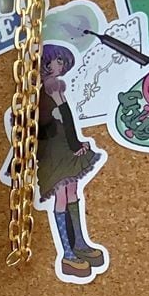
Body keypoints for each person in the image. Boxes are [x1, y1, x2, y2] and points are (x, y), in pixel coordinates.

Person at [38, 44, 105, 277]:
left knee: (73, 191)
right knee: (62, 195)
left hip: (66, 145)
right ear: (46, 63)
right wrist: (74, 143)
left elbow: (68, 119)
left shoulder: (56, 87)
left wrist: (76, 143)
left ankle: (79, 244)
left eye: (62, 62)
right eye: (57, 61)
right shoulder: (47, 89)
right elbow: (57, 119)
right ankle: (67, 253)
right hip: (55, 150)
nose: (60, 65)